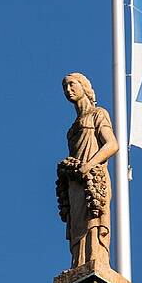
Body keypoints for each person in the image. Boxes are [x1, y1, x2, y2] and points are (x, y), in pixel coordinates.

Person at [55, 73, 118, 271]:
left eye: (72, 84)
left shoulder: (98, 114)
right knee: (77, 225)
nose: (68, 89)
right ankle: (78, 265)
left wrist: (89, 165)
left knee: (94, 220)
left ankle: (96, 262)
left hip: (93, 179)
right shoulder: (72, 128)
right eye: (65, 86)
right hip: (76, 182)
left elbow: (112, 145)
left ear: (84, 86)